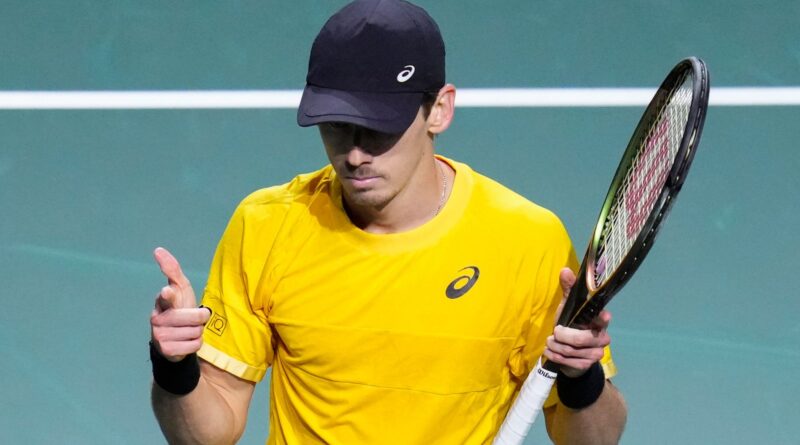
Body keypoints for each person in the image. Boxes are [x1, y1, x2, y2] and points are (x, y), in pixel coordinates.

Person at [149, 0, 627, 444]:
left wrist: (581, 378)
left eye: (379, 127)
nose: (354, 153)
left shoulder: (528, 241)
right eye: (336, 125)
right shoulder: (266, 225)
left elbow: (594, 437)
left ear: (439, 109)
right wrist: (174, 368)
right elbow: (207, 434)